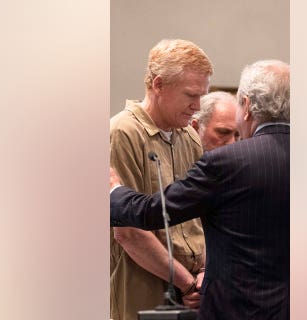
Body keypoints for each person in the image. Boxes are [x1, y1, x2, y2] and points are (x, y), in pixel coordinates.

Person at [110, 59, 290, 319]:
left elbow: (154, 212)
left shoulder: (228, 162)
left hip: (235, 311)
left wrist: (114, 191)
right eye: (191, 95)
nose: (195, 106)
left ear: (247, 106)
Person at [109, 39, 213, 320]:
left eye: (202, 95)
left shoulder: (189, 136)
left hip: (192, 291)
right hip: (143, 287)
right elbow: (127, 231)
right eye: (191, 95)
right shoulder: (123, 132)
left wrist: (204, 273)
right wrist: (188, 283)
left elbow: (203, 216)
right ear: (158, 85)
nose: (197, 106)